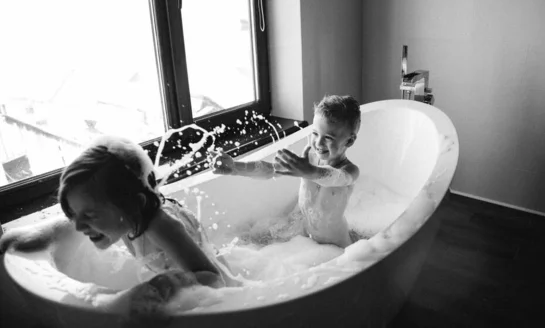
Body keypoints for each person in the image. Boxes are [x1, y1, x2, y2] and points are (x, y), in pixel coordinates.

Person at [0, 135, 234, 305]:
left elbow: (214, 280)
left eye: (89, 215)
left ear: (135, 205)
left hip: (226, 292)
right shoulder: (124, 215)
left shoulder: (161, 226)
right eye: (73, 213)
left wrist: (168, 285)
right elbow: (66, 225)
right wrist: (27, 237)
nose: (79, 226)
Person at [211, 94, 361, 248]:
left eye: (328, 137)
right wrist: (236, 167)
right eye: (315, 133)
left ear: (349, 141)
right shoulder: (308, 157)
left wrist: (310, 172)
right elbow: (270, 170)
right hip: (306, 237)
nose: (318, 142)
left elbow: (334, 177)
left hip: (338, 246)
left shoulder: (349, 170)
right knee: (254, 241)